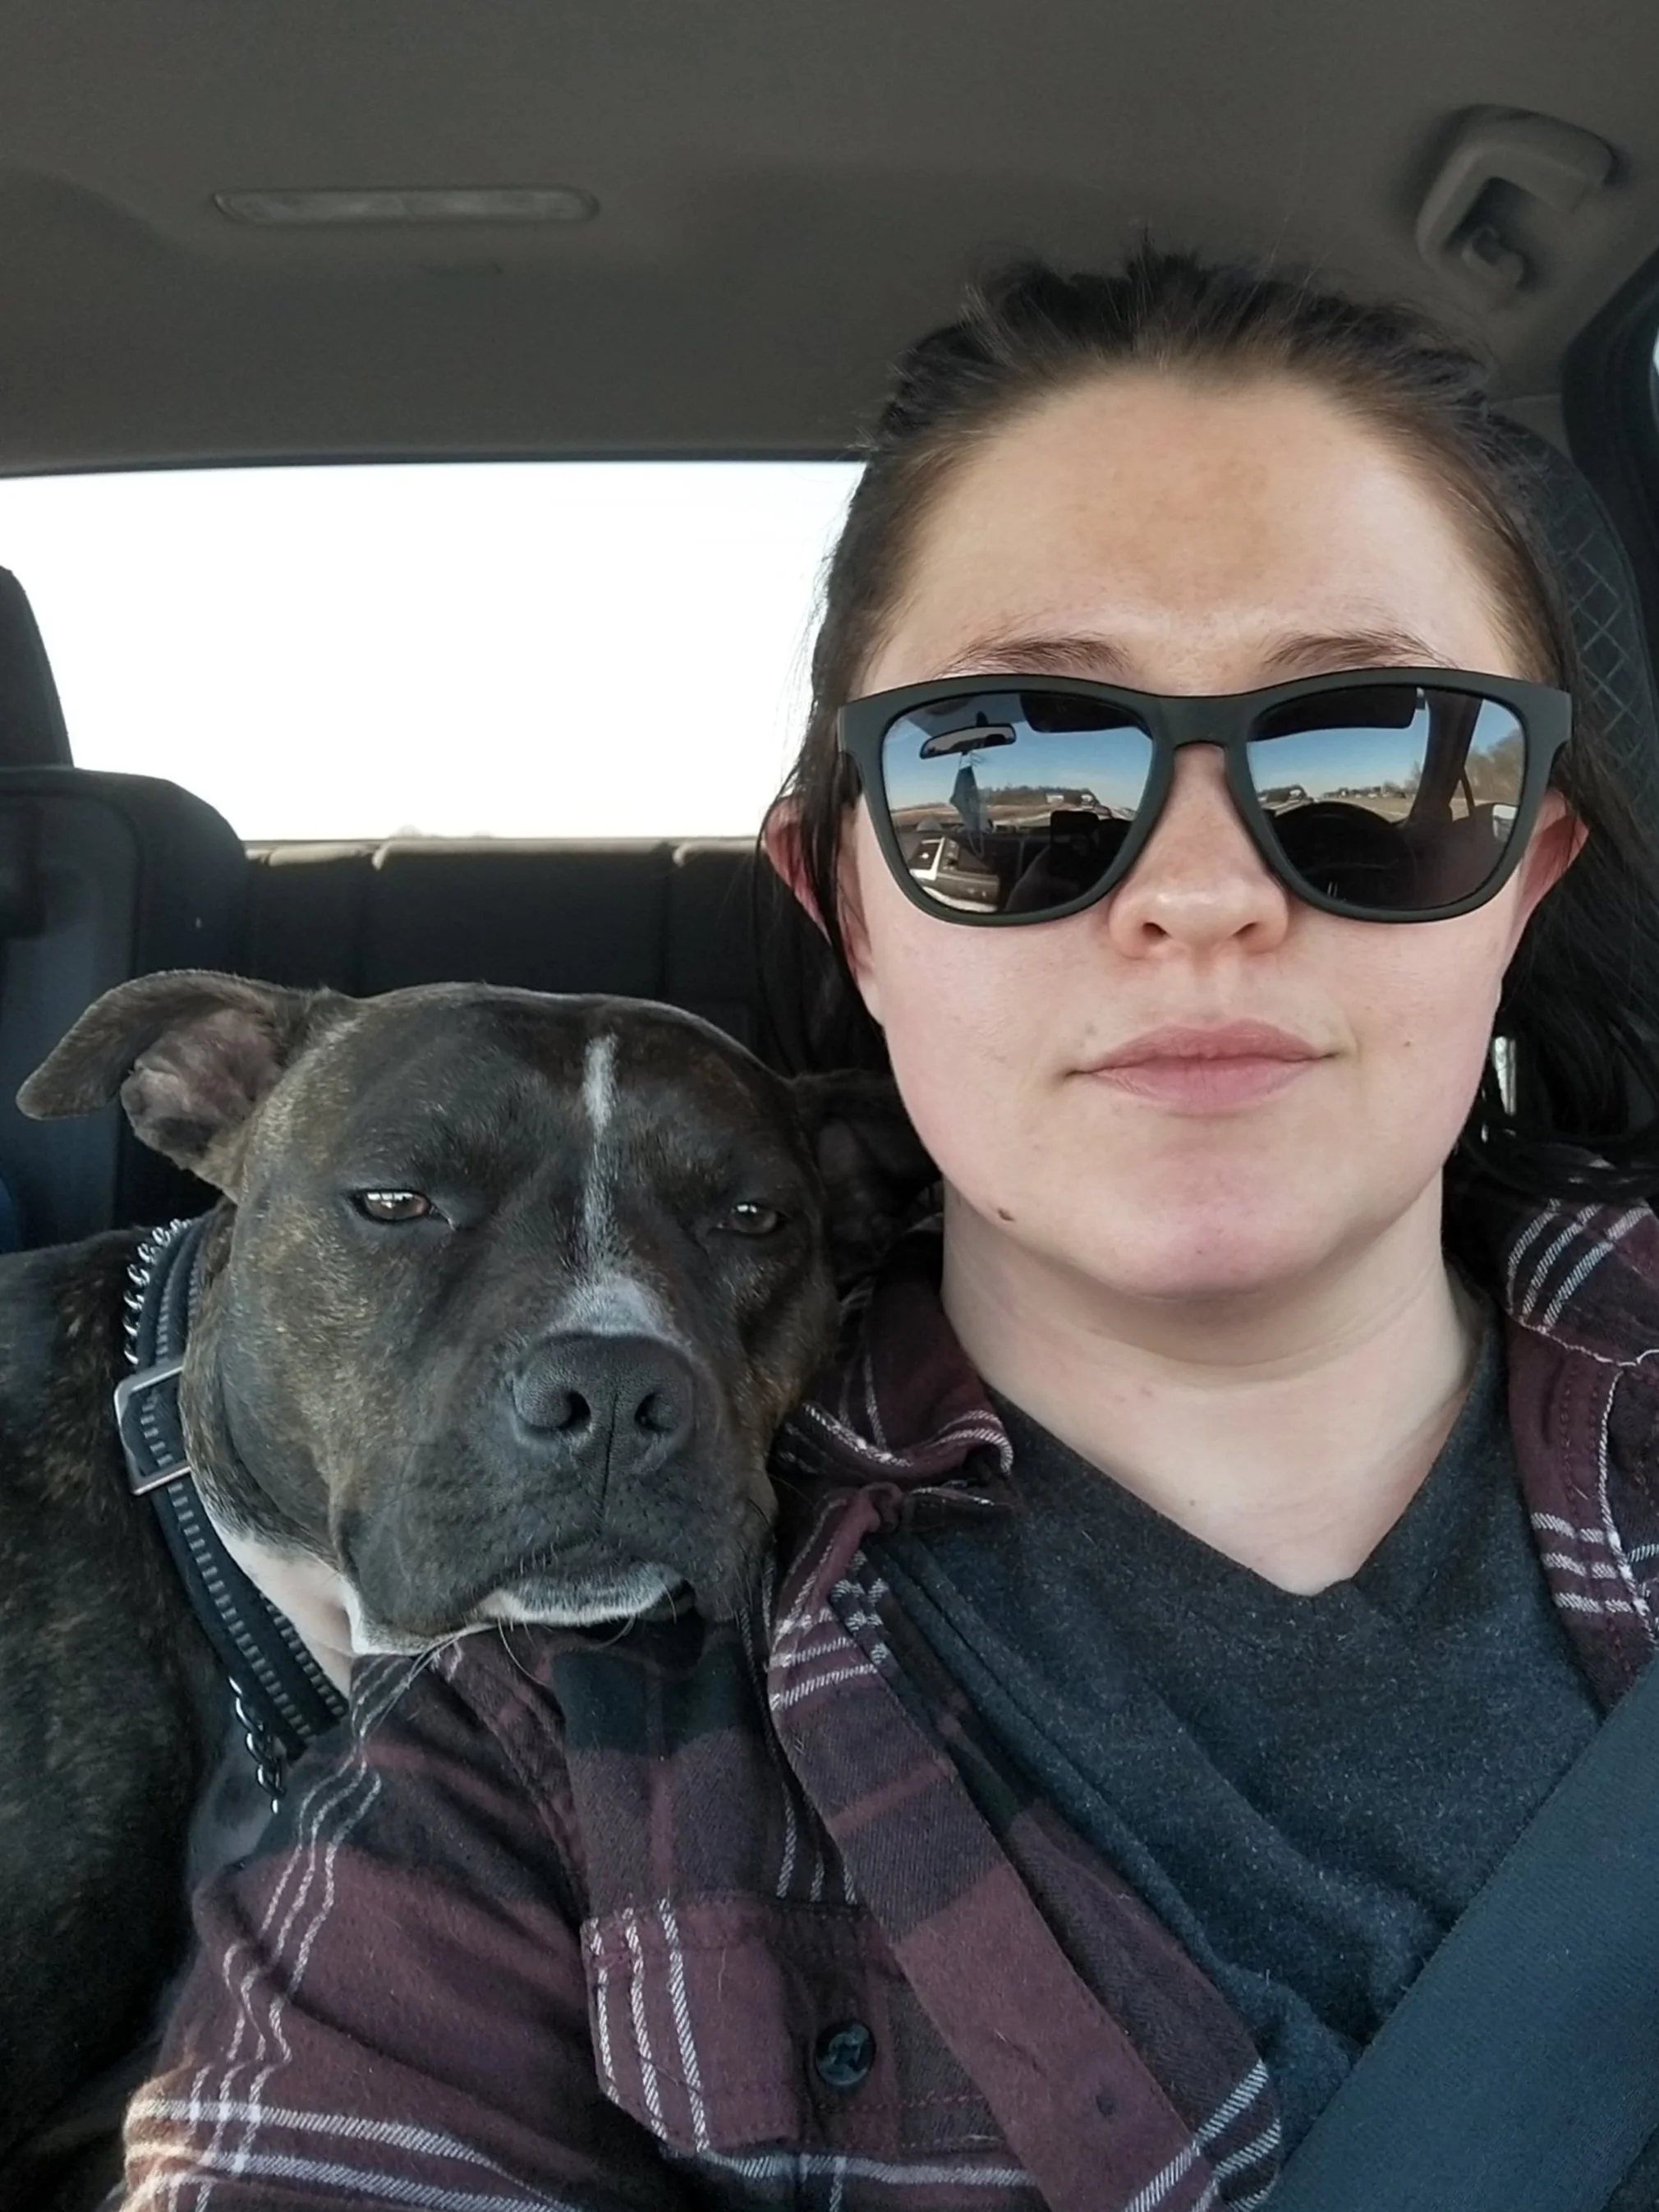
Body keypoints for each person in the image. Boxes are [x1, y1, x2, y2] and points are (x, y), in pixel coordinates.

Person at [121, 246, 1659, 2211]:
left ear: (1521, 873)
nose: (1199, 893)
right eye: (1006, 773)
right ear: (846, 899)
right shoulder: (533, 1773)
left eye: (1373, 764)